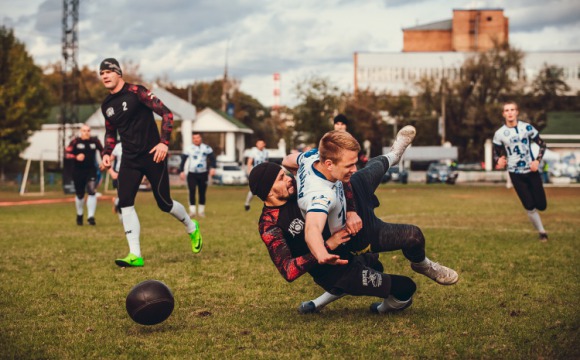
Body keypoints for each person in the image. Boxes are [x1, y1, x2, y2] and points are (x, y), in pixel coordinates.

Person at [253, 127, 457, 313]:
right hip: (336, 258)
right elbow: (295, 259)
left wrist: (350, 211)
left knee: (374, 166)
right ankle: (365, 305)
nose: (290, 178)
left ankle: (394, 153)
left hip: (348, 213)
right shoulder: (272, 224)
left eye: (285, 174)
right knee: (405, 285)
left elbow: (293, 161)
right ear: (267, 192)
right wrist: (325, 249)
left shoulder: (308, 166)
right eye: (281, 179)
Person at [98, 58, 202, 267]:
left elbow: (167, 114)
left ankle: (192, 227)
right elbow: (110, 132)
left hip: (154, 155)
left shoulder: (137, 92)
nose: (105, 76)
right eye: (102, 74)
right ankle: (135, 254)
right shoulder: (106, 106)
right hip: (129, 158)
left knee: (164, 203)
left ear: (119, 73)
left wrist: (164, 143)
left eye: (108, 72)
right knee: (125, 202)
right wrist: (107, 152)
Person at [493, 101, 549, 242]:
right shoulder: (499, 134)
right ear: (503, 114)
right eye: (507, 110)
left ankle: (540, 223)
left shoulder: (527, 128)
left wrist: (537, 161)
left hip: (531, 171)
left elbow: (542, 144)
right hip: (515, 173)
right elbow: (497, 154)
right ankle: (542, 232)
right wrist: (499, 160)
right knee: (529, 205)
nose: (510, 112)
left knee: (541, 205)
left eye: (512, 109)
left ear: (517, 112)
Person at [65, 124, 104, 226]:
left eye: (88, 130)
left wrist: (104, 161)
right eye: (84, 131)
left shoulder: (95, 141)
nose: (86, 133)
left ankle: (90, 217)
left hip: (91, 170)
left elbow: (103, 151)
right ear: (80, 132)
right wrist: (76, 156)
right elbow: (67, 154)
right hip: (78, 171)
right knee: (80, 194)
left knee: (91, 191)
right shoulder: (75, 142)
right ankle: (80, 214)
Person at [179, 132, 216, 217]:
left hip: (203, 173)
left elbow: (212, 159)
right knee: (192, 191)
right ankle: (192, 211)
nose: (196, 139)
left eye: (197, 138)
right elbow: (183, 160)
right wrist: (181, 171)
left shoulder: (206, 148)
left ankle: (201, 211)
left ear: (200, 138)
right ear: (193, 139)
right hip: (192, 173)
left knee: (202, 192)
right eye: (194, 138)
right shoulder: (188, 148)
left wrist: (213, 168)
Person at [244, 139, 269, 211]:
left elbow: (266, 162)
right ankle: (247, 203)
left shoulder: (266, 152)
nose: (260, 145)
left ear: (264, 144)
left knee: (266, 189)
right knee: (253, 190)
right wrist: (249, 172)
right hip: (256, 172)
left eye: (262, 143)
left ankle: (268, 206)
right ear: (256, 144)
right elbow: (249, 162)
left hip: (263, 173)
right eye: (259, 143)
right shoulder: (253, 151)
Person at [107, 142, 123, 222]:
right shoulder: (118, 146)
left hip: (131, 173)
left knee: (127, 196)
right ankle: (121, 216)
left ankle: (116, 202)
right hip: (118, 173)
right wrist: (111, 171)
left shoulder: (136, 144)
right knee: (122, 195)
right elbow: (110, 159)